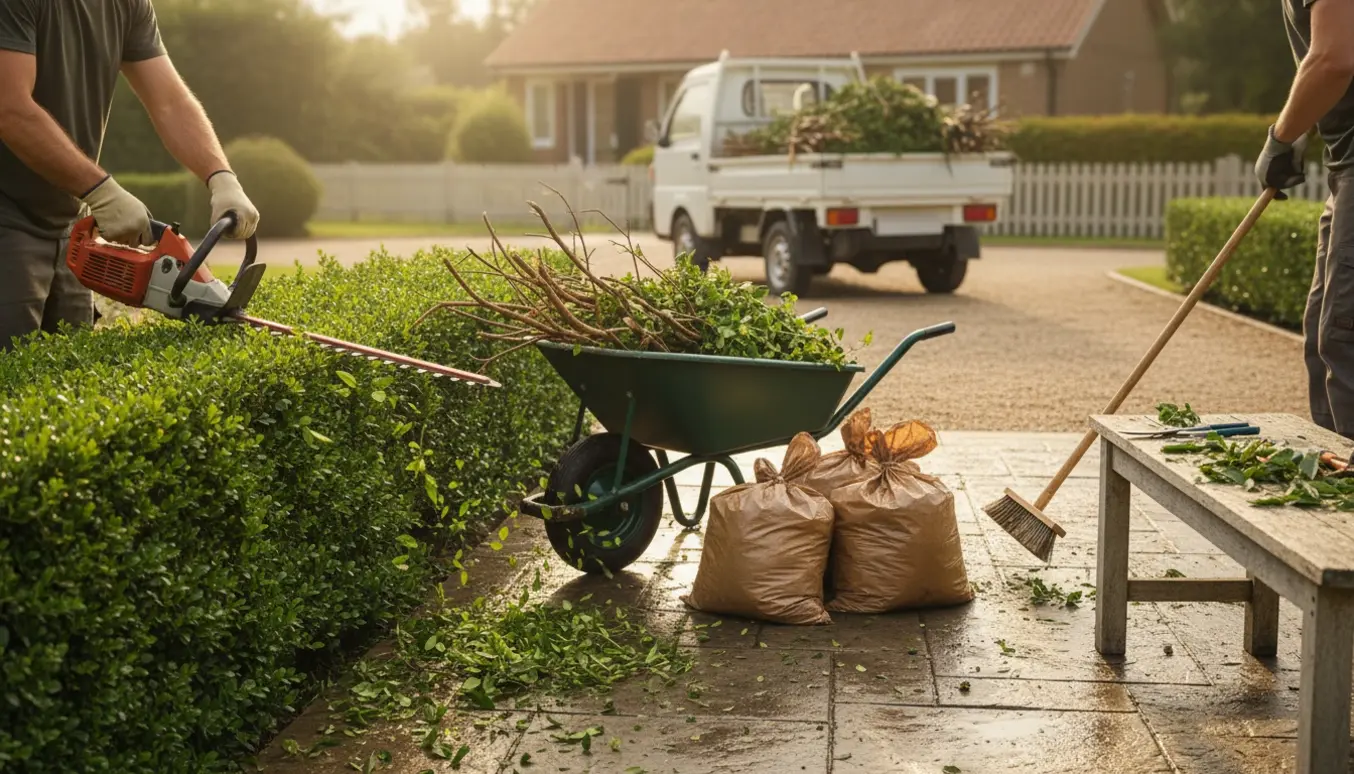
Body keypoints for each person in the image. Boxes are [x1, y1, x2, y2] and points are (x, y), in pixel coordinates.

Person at [0, 0, 260, 350]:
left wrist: (222, 177)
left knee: (65, 385)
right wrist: (101, 191)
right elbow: (10, 107)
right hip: (8, 217)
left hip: (68, 223)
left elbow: (170, 101)